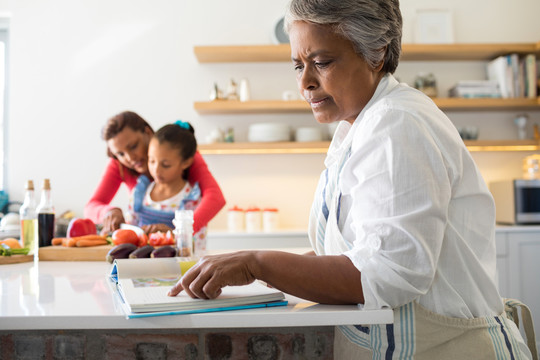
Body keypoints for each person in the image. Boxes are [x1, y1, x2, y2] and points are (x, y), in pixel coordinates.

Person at [169, 0, 533, 358]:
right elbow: (352, 254)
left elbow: (388, 274)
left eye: (322, 63)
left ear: (376, 53)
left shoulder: (397, 124)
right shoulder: (362, 125)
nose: (306, 83)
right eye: (298, 66)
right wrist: (256, 267)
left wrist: (258, 262)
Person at [85, 111, 226, 235]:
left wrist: (180, 232)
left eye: (133, 146)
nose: (129, 158)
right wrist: (109, 212)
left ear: (148, 133)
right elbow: (91, 206)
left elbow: (215, 197)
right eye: (120, 153)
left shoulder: (177, 151)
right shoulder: (119, 164)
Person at [129, 120, 207, 254]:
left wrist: (171, 235)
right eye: (151, 161)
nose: (156, 170)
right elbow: (130, 232)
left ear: (186, 162)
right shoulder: (141, 192)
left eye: (165, 165)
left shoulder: (191, 199)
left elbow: (197, 247)